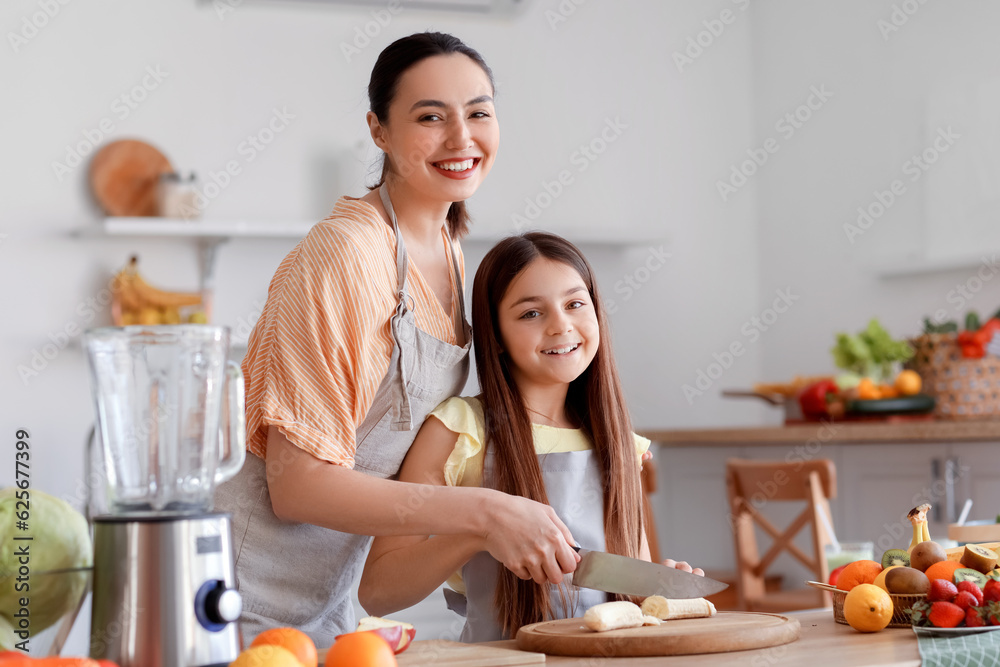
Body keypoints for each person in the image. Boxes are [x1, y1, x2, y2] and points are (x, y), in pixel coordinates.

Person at [214, 33, 580, 645]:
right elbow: (297, 484)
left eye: (479, 112)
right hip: (238, 602)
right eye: (431, 117)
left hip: (330, 609)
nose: (462, 139)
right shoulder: (346, 256)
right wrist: (486, 510)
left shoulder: (447, 247)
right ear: (378, 130)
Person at [358, 232, 704, 642]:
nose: (561, 325)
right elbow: (379, 592)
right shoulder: (458, 431)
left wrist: (661, 589)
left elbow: (631, 586)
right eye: (530, 314)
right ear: (497, 337)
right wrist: (478, 532)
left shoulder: (622, 445)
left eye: (575, 303)